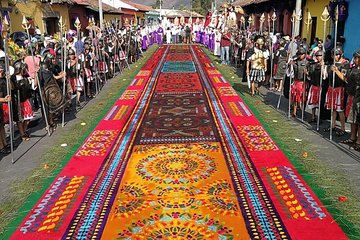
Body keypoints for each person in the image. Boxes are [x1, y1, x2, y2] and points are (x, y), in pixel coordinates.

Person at [324, 46, 349, 136]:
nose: (335, 56)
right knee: (333, 109)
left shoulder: (345, 63)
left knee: (340, 109)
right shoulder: (332, 63)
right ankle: (333, 125)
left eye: (337, 54)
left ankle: (343, 128)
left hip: (340, 89)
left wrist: (336, 71)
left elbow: (344, 78)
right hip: (332, 88)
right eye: (333, 54)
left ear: (341, 54)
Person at [342, 50, 360, 148]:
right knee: (352, 119)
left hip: (359, 97)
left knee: (359, 121)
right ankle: (352, 137)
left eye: (357, 58)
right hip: (352, 96)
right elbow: (346, 79)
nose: (355, 60)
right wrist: (336, 71)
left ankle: (359, 141)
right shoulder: (352, 69)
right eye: (355, 58)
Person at [307, 50, 325, 123]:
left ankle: (319, 117)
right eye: (317, 56)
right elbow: (310, 76)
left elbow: (325, 77)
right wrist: (308, 73)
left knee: (319, 103)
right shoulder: (313, 64)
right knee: (313, 103)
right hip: (314, 85)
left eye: (319, 56)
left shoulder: (325, 65)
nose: (318, 57)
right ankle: (313, 116)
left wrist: (323, 67)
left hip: (320, 87)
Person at [290, 47, 308, 117]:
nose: (300, 55)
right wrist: (290, 64)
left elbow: (311, 74)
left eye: (302, 54)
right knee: (295, 97)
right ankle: (294, 112)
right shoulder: (295, 61)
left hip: (303, 82)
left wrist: (307, 73)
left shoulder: (308, 62)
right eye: (299, 54)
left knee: (303, 98)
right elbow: (290, 72)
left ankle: (303, 111)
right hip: (296, 81)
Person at [0, 58, 12, 154]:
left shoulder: (3, 79)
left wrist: (8, 80)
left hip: (2, 105)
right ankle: (1, 146)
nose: (1, 71)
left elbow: (11, 88)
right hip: (1, 102)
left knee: (2, 126)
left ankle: (5, 143)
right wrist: (4, 99)